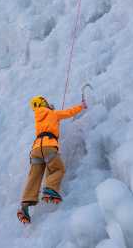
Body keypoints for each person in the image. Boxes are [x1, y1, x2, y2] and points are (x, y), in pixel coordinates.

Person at [17, 95, 87, 223]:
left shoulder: (37, 117)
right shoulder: (53, 113)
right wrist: (81, 106)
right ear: (44, 103)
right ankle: (50, 189)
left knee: (34, 178)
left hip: (36, 149)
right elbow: (69, 112)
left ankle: (24, 207)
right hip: (49, 146)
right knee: (58, 169)